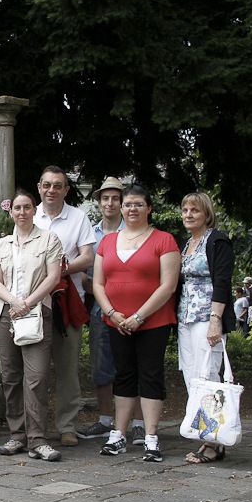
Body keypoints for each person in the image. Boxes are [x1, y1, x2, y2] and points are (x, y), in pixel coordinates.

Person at [93, 184, 180, 462]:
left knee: (151, 375)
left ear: (149, 208)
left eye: (138, 204)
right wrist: (113, 313)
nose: (132, 209)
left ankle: (151, 438)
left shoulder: (164, 240)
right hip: (116, 321)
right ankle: (118, 435)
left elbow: (168, 285)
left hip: (153, 321)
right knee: (124, 375)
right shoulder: (107, 242)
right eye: (127, 204)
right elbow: (97, 283)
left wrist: (139, 316)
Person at [0, 189, 64, 462]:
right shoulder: (3, 244)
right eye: (17, 208)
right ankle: (16, 436)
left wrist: (28, 302)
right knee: (10, 377)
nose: (22, 212)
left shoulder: (48, 239)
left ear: (35, 210)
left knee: (36, 378)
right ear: (10, 212)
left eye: (27, 207)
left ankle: (38, 439)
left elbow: (53, 276)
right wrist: (13, 301)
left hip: (36, 314)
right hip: (5, 314)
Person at [77, 177, 146, 445]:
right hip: (99, 309)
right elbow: (84, 276)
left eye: (115, 198)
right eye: (105, 198)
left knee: (134, 365)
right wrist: (103, 292)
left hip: (134, 309)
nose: (110, 203)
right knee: (101, 365)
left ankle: (139, 423)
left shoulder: (136, 232)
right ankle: (106, 421)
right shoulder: (90, 235)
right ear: (98, 201)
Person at [33, 165, 96, 447]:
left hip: (67, 301)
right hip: (34, 303)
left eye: (58, 185)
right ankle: (35, 426)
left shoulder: (78, 217)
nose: (52, 190)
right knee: (35, 370)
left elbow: (88, 257)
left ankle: (67, 425)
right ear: (39, 187)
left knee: (67, 368)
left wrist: (59, 269)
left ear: (66, 190)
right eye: (47, 185)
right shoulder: (28, 214)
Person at [177, 192, 235, 464]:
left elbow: (222, 280)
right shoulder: (187, 243)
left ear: (206, 214)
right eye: (185, 210)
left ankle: (214, 443)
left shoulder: (217, 240)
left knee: (209, 375)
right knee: (192, 376)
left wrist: (216, 319)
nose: (189, 214)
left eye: (195, 210)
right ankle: (206, 435)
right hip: (186, 318)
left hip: (207, 317)